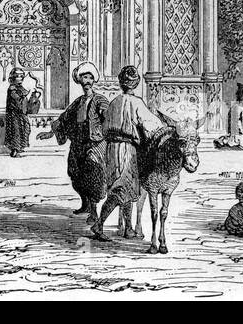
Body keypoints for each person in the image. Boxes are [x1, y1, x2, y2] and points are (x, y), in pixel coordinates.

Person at [92, 65, 163, 242]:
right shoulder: (136, 102)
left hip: (112, 149)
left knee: (125, 189)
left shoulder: (115, 101)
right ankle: (99, 224)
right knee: (120, 190)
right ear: (136, 83)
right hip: (127, 149)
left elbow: (104, 126)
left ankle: (128, 228)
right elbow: (151, 124)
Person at [52, 63, 108, 221]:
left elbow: (107, 116)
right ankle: (85, 204)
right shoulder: (78, 101)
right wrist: (51, 131)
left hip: (94, 142)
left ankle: (94, 210)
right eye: (85, 77)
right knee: (75, 173)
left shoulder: (100, 99)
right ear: (80, 80)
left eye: (90, 77)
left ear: (94, 80)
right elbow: (65, 117)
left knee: (93, 173)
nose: (88, 80)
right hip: (78, 141)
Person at [4, 68, 42, 157]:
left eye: (21, 76)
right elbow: (17, 99)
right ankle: (14, 150)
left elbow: (25, 99)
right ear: (13, 78)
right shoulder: (12, 88)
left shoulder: (21, 87)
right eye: (17, 76)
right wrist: (27, 95)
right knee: (16, 132)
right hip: (14, 115)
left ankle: (20, 148)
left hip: (22, 114)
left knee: (25, 130)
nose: (20, 78)